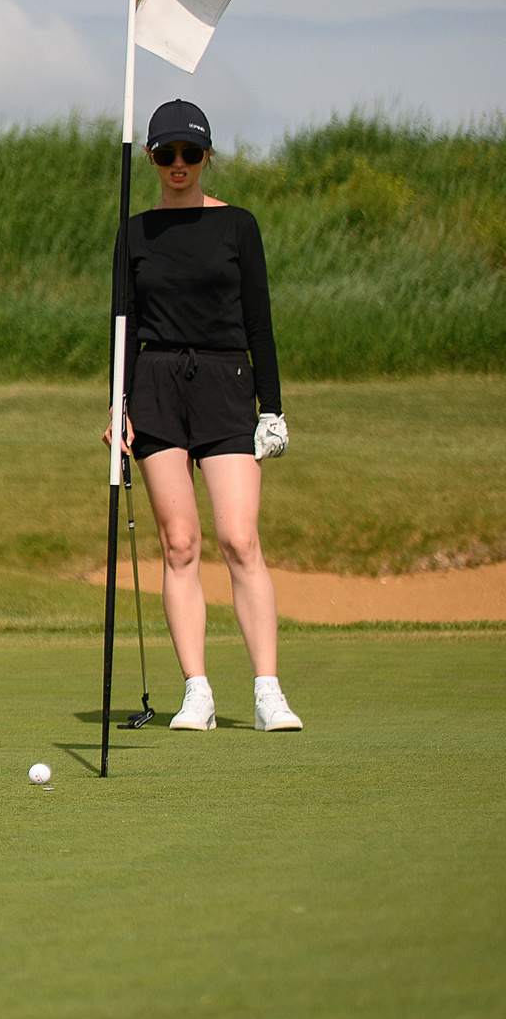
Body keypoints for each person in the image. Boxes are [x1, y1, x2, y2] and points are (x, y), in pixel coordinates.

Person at [111, 98, 302, 734]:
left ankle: (268, 691)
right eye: (166, 154)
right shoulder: (135, 232)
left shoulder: (238, 226)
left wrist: (272, 408)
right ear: (150, 157)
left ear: (206, 156)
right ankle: (198, 692)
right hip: (156, 384)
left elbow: (259, 321)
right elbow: (123, 326)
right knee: (180, 543)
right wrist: (118, 403)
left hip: (226, 382)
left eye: (190, 153)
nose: (179, 164)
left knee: (240, 539)